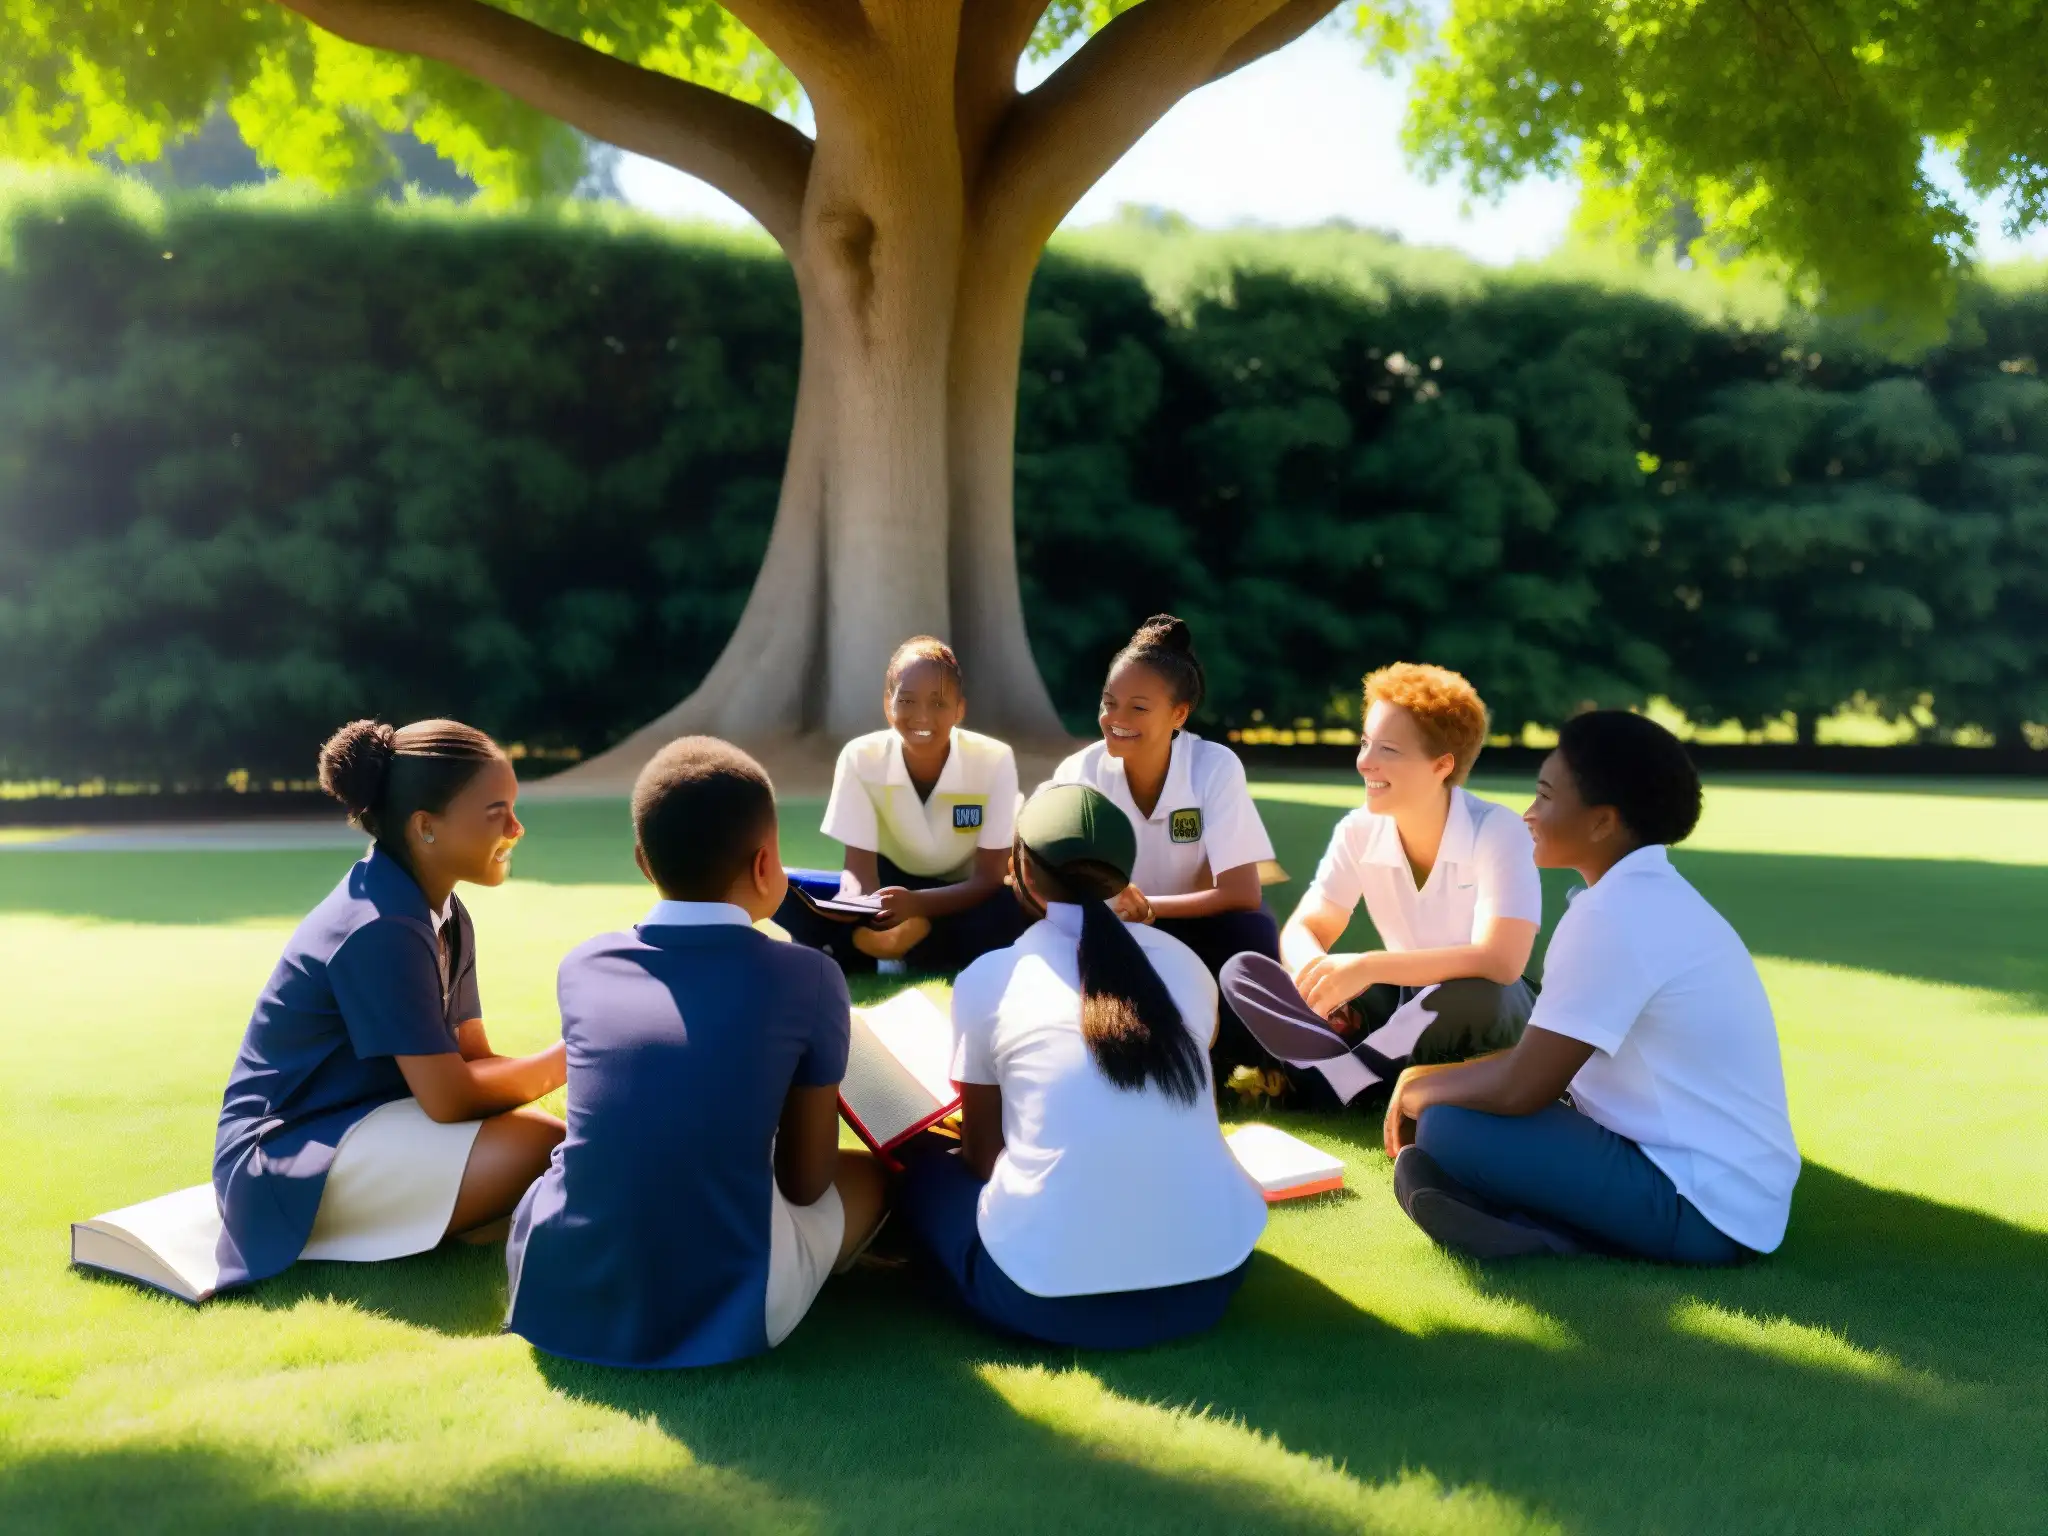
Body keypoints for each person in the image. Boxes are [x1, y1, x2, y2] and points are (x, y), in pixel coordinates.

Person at [505, 736, 889, 1368]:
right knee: (869, 1177)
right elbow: (805, 1180)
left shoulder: (583, 966)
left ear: (642, 860)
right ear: (767, 864)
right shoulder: (809, 977)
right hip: (731, 1307)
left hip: (557, 1284)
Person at [1383, 711, 1801, 1265]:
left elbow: (1522, 1087)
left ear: (1603, 823)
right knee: (1458, 1109)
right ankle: (1500, 1212)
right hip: (1731, 1195)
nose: (1528, 814)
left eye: (1546, 797)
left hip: (1699, 1209)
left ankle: (1541, 1232)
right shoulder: (1647, 896)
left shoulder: (1616, 914)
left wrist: (1415, 1085)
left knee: (1449, 1123)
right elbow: (1546, 1060)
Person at [896, 783, 1268, 1349]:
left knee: (919, 1169)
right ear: (1124, 871)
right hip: (1210, 1283)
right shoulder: (1186, 964)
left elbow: (982, 1157)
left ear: (1021, 869)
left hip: (1046, 1300)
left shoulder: (991, 978)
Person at [212, 719, 566, 1292]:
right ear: (426, 827)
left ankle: (464, 1215)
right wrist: (574, 1056)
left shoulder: (443, 911)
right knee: (542, 1144)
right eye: (495, 812)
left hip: (363, 1120)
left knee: (539, 1137)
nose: (517, 829)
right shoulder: (382, 925)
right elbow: (450, 1097)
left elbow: (473, 1057)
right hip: (283, 1157)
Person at [1221, 663, 1543, 1110]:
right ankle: (1350, 1068)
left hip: (1489, 1008)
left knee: (1471, 990)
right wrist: (1322, 980)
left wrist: (1367, 967)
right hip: (1403, 1004)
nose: (1364, 762)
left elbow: (1501, 962)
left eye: (1388, 749)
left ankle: (1331, 1082)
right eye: (1366, 742)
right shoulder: (1359, 829)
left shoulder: (1497, 831)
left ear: (1442, 765)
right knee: (1245, 970)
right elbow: (1307, 926)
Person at [1051, 615, 1279, 1069]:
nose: (1116, 720)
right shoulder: (1080, 772)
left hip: (1196, 925)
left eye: (1138, 708)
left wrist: (1150, 906)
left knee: (1253, 930)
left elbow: (1242, 892)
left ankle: (1250, 1066)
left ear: (1179, 714)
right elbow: (1051, 876)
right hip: (1112, 928)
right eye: (1108, 702)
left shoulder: (1214, 766)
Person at [777, 636, 1028, 974]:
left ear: (959, 710)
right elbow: (859, 871)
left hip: (965, 895)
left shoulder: (994, 759)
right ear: (887, 704)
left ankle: (878, 950)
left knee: (1016, 907)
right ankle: (903, 946)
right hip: (888, 889)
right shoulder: (860, 756)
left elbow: (988, 879)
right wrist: (859, 905)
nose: (921, 716)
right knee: (783, 887)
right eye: (907, 700)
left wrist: (917, 906)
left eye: (938, 703)